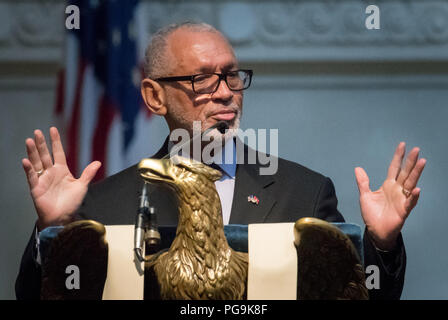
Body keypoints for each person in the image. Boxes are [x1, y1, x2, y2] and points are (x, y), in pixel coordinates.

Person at [16, 22, 426, 300]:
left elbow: (356, 296)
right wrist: (51, 230)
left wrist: (381, 244)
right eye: (202, 79)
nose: (226, 92)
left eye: (232, 75)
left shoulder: (304, 192)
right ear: (154, 96)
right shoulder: (105, 205)